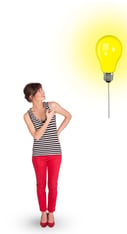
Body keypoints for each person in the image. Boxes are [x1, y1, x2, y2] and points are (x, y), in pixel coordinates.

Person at [23, 83, 71, 228]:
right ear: (31, 97)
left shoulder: (52, 106)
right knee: (40, 185)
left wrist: (58, 132)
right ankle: (43, 211)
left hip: (55, 153)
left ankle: (52, 212)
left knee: (53, 185)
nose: (43, 92)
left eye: (42, 89)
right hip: (39, 154)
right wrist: (49, 119)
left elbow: (68, 116)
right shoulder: (27, 116)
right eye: (39, 91)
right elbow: (37, 136)